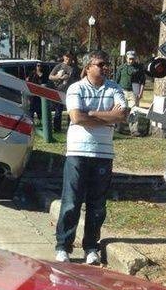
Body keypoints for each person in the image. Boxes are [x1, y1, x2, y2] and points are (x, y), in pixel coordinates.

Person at [55, 51, 127, 265]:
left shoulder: (114, 88)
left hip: (103, 153)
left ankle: (91, 248)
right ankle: (63, 246)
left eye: (107, 64)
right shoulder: (76, 88)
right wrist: (107, 117)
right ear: (87, 67)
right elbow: (76, 117)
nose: (105, 68)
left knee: (97, 204)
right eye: (101, 64)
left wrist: (92, 114)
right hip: (77, 152)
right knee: (71, 201)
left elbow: (122, 115)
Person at [48, 53, 79, 132]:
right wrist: (59, 77)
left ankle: (71, 128)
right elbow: (50, 77)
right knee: (58, 110)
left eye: (69, 57)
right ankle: (57, 129)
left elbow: (78, 79)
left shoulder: (74, 68)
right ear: (64, 57)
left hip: (71, 91)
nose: (68, 58)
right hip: (60, 90)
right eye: (66, 57)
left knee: (71, 110)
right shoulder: (59, 66)